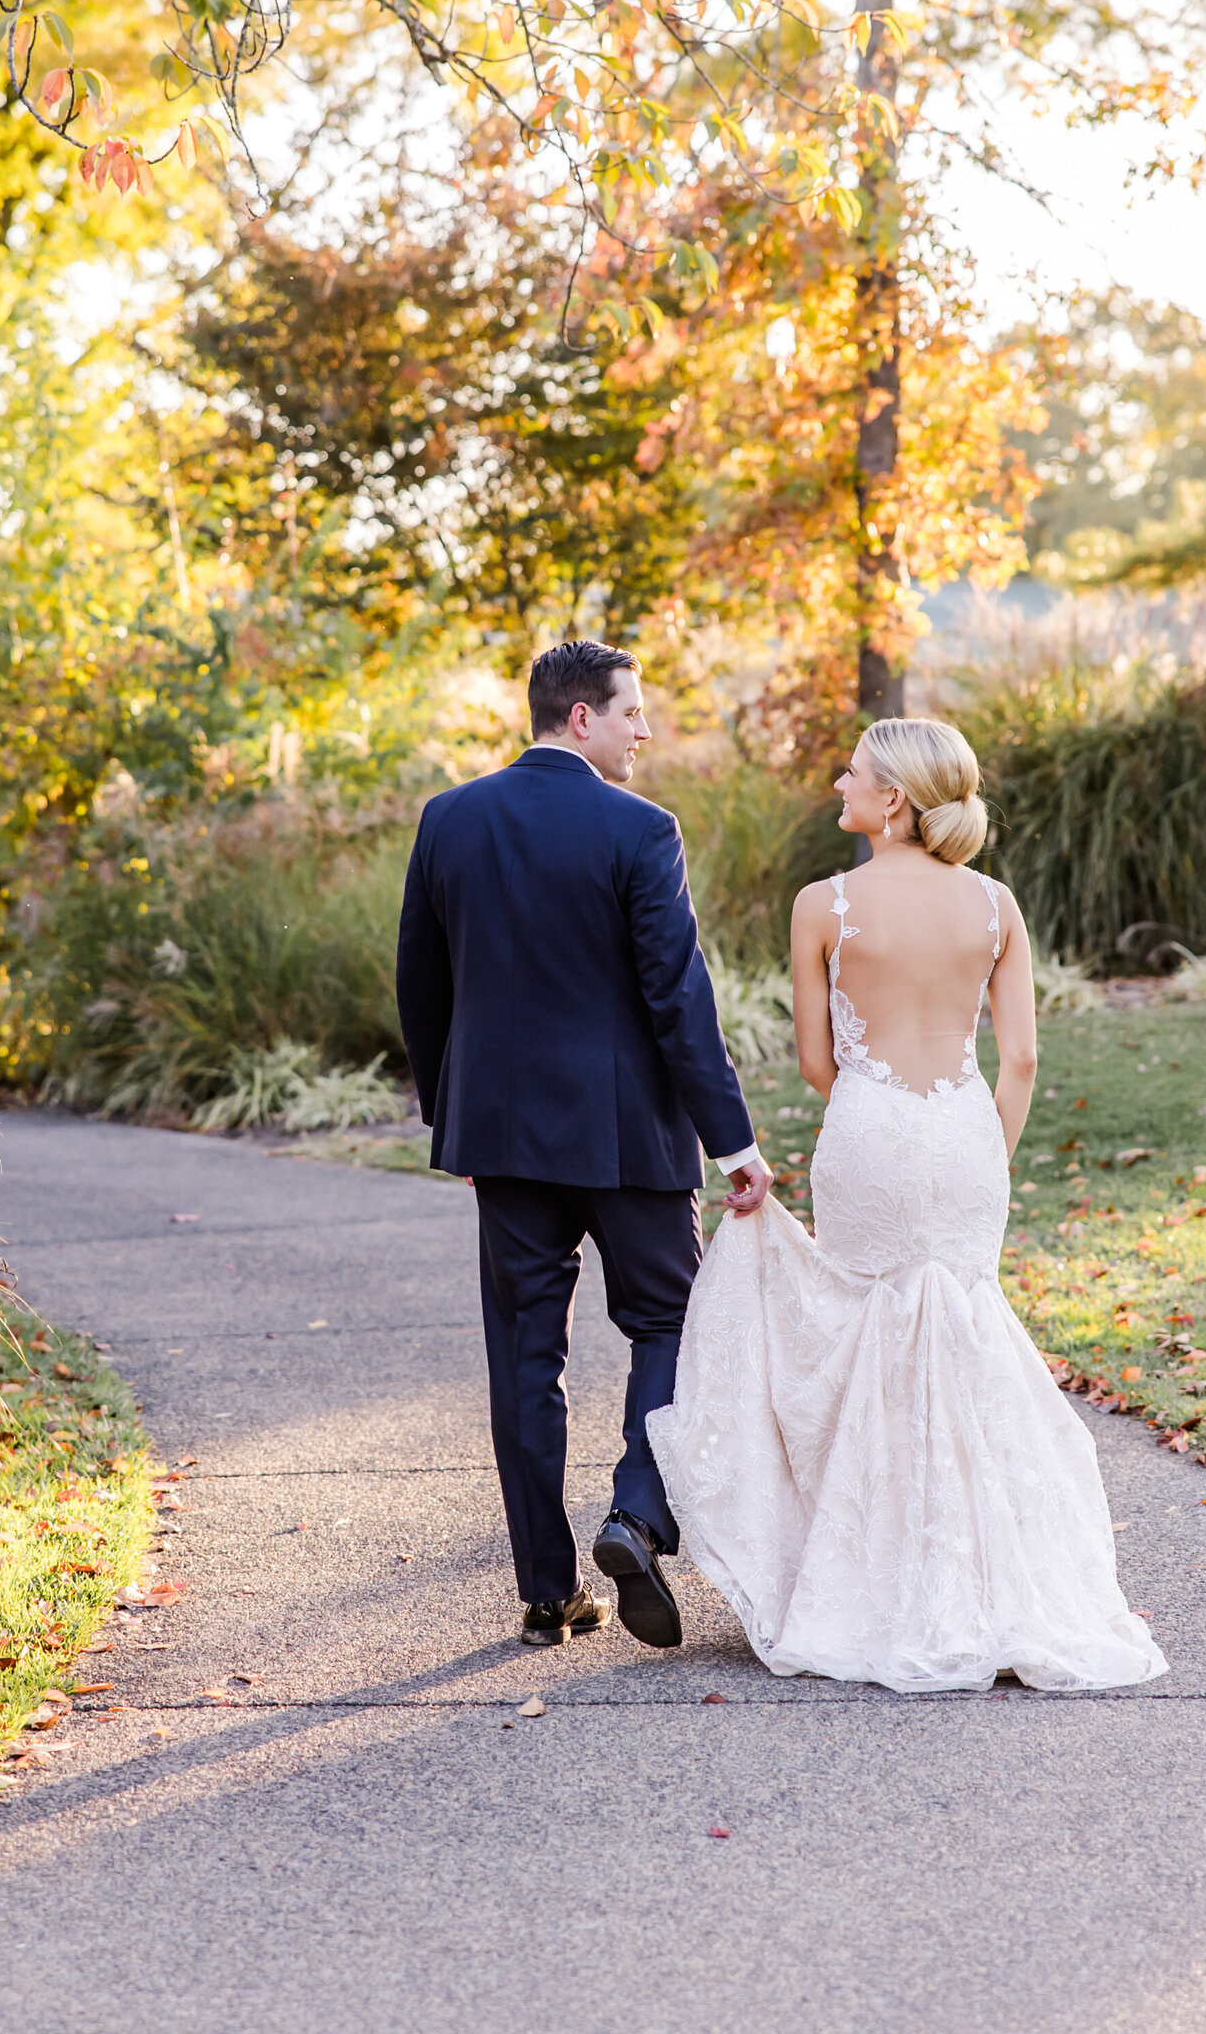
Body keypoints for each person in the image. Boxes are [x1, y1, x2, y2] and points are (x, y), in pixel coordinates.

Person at [648, 716, 1168, 1695]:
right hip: (964, 1134)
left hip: (872, 1131)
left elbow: (816, 1062)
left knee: (870, 1335)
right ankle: (1004, 1582)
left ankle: (874, 1580)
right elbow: (1018, 1058)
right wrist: (985, 1152)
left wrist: (877, 1110)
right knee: (964, 1331)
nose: (837, 785)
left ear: (893, 799)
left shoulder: (824, 905)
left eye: (851, 773)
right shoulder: (993, 904)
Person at [395, 639, 773, 1651]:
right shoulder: (641, 830)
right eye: (631, 713)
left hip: (503, 1138)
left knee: (524, 1355)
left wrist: (453, 1118)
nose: (643, 730)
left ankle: (545, 1592)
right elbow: (677, 1001)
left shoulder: (449, 821)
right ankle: (637, 1514)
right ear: (579, 718)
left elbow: (420, 990)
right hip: (626, 1139)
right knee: (671, 1324)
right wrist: (730, 1140)